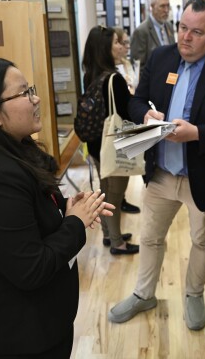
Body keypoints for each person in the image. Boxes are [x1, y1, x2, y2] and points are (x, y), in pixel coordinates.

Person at [0, 58, 115, 358]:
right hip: (17, 331)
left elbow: (25, 211)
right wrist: (74, 223)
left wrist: (64, 206)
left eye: (30, 89)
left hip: (37, 319)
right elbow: (31, 268)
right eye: (23, 93)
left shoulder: (10, 148)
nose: (35, 98)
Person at [108, 0, 205, 330]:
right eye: (182, 28)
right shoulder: (160, 57)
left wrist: (197, 133)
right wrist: (145, 113)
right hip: (160, 172)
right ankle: (144, 294)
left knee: (202, 239)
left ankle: (193, 294)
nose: (186, 37)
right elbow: (135, 100)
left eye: (197, 32)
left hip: (202, 176)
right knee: (150, 236)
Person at [82, 26, 140, 255]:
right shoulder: (114, 79)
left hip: (97, 143)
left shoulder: (91, 74)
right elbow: (128, 113)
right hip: (114, 143)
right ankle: (117, 242)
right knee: (115, 193)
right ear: (106, 48)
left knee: (105, 189)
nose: (120, 46)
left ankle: (109, 234)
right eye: (116, 42)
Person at [113, 27, 142, 214]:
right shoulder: (110, 71)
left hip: (129, 119)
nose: (125, 46)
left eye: (125, 42)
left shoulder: (127, 63)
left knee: (125, 166)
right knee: (114, 174)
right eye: (120, 42)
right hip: (116, 123)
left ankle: (121, 200)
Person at [130, 0, 175, 70]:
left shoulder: (169, 26)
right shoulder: (141, 32)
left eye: (168, 6)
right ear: (152, 7)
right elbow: (138, 66)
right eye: (162, 6)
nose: (166, 10)